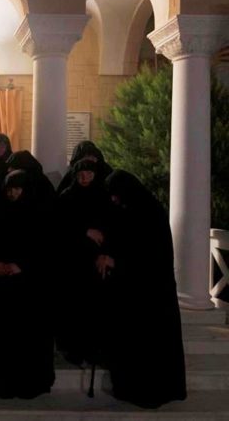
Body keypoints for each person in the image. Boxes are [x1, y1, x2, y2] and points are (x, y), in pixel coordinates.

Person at [97, 170, 186, 408]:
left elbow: (150, 257)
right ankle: (130, 389)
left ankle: (148, 393)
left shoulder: (149, 213)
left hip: (151, 294)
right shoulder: (131, 210)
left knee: (150, 349)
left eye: (116, 194)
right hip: (134, 292)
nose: (113, 199)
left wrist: (115, 261)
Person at [0, 170, 55, 399]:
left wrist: (22, 266)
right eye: (9, 189)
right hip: (2, 286)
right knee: (4, 337)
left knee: (27, 337)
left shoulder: (38, 215)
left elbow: (44, 249)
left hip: (28, 288)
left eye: (17, 188)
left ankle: (28, 383)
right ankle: (3, 384)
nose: (13, 193)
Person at [57, 158, 112, 366]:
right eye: (81, 174)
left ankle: (94, 349)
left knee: (94, 307)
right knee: (74, 307)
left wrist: (105, 253)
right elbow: (59, 227)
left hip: (96, 261)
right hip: (73, 262)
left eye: (89, 173)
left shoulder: (103, 197)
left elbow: (110, 227)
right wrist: (84, 231)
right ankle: (73, 349)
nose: (84, 177)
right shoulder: (67, 197)